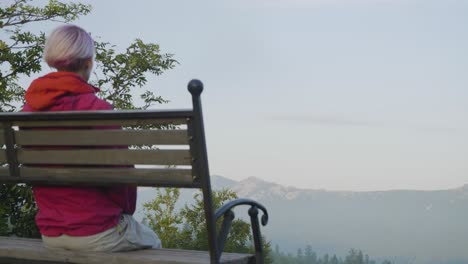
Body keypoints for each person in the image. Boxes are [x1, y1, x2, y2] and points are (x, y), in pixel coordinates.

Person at [21, 24, 161, 252]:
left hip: (50, 232)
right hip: (98, 230)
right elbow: (122, 180)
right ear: (88, 62)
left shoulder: (28, 112)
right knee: (153, 242)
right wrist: (123, 212)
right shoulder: (98, 110)